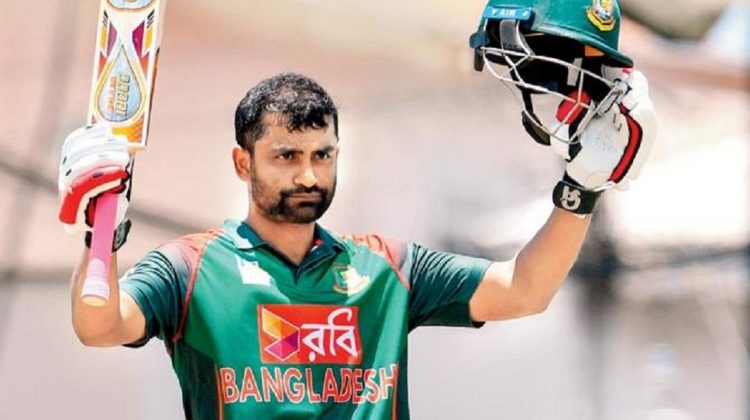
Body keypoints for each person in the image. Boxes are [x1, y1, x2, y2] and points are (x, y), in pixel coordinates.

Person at [58, 0, 656, 418]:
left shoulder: (387, 269)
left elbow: (525, 290)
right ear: (243, 163)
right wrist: (98, 234)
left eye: (322, 155)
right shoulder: (188, 270)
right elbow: (99, 325)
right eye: (286, 156)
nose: (308, 175)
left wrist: (581, 191)